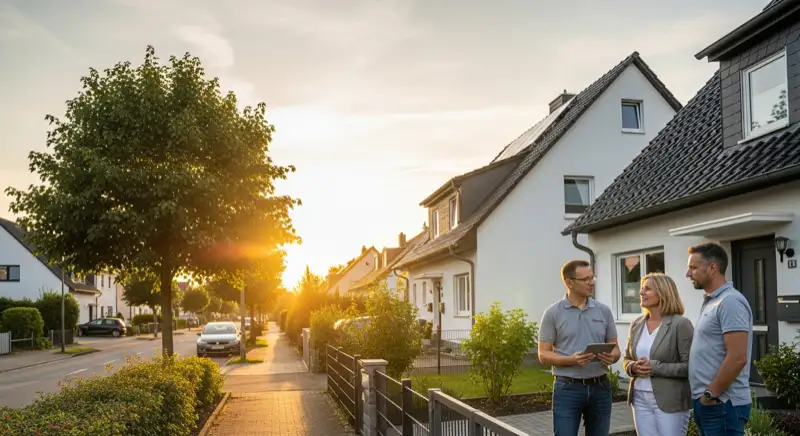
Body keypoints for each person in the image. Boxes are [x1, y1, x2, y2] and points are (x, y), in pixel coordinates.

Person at [539, 259, 620, 436]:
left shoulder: (603, 310)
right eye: (585, 279)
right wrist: (571, 360)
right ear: (569, 282)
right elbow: (543, 354)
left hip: (601, 387)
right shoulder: (553, 313)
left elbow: (615, 348)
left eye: (592, 277)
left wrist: (612, 357)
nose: (591, 283)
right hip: (568, 389)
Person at [686, 242, 753, 436]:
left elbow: (738, 357)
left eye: (693, 267)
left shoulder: (730, 302)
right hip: (710, 403)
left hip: (723, 404)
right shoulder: (712, 301)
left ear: (713, 268)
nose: (688, 273)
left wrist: (710, 394)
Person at [623, 273, 694, 435]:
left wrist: (656, 367)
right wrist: (632, 367)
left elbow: (690, 367)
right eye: (642, 288)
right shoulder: (636, 324)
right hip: (639, 398)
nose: (641, 292)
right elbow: (627, 358)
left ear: (663, 292)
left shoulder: (680, 324)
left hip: (670, 400)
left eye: (647, 289)